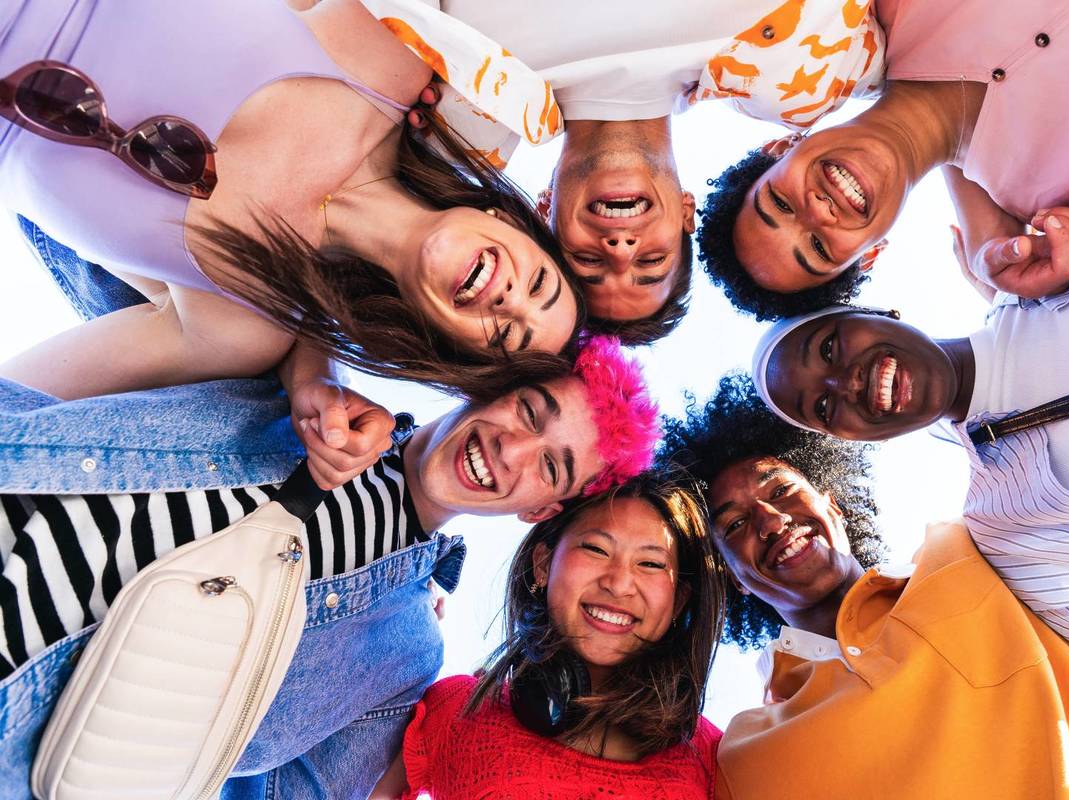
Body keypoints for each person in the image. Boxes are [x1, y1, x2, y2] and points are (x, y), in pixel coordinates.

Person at [0, 325, 660, 800]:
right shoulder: (298, 379)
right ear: (492, 384)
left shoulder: (404, 656)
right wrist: (313, 368)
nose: (511, 451)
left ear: (542, 512)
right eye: (527, 410)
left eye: (551, 465)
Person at [750, 151, 1069, 741]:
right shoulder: (1011, 534)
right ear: (851, 439)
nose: (846, 383)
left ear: (874, 310)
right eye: (824, 410)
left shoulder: (1065, 250)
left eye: (830, 349)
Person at [0, 0, 585, 413]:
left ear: (449, 346)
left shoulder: (241, 323)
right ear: (508, 221)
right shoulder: (392, 57)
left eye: (507, 337)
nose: (511, 303)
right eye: (539, 285)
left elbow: (16, 406)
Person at [658, 374, 1069, 798]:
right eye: (733, 525)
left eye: (781, 488)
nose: (771, 520)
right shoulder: (749, 753)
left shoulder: (970, 551)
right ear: (733, 579)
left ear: (834, 506)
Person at [366, 0, 884, 343]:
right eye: (651, 261)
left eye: (587, 262)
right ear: (687, 210)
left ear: (543, 212)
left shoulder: (460, 113)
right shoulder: (802, 78)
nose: (619, 249)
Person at [698, 0, 1069, 320]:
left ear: (780, 147)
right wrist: (1013, 300)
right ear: (870, 254)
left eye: (780, 204)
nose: (818, 213)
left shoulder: (886, 9)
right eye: (819, 248)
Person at [369, 472, 725, 799]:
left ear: (678, 601)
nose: (618, 584)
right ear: (542, 564)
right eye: (596, 549)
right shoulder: (458, 707)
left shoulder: (715, 758)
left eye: (650, 564)